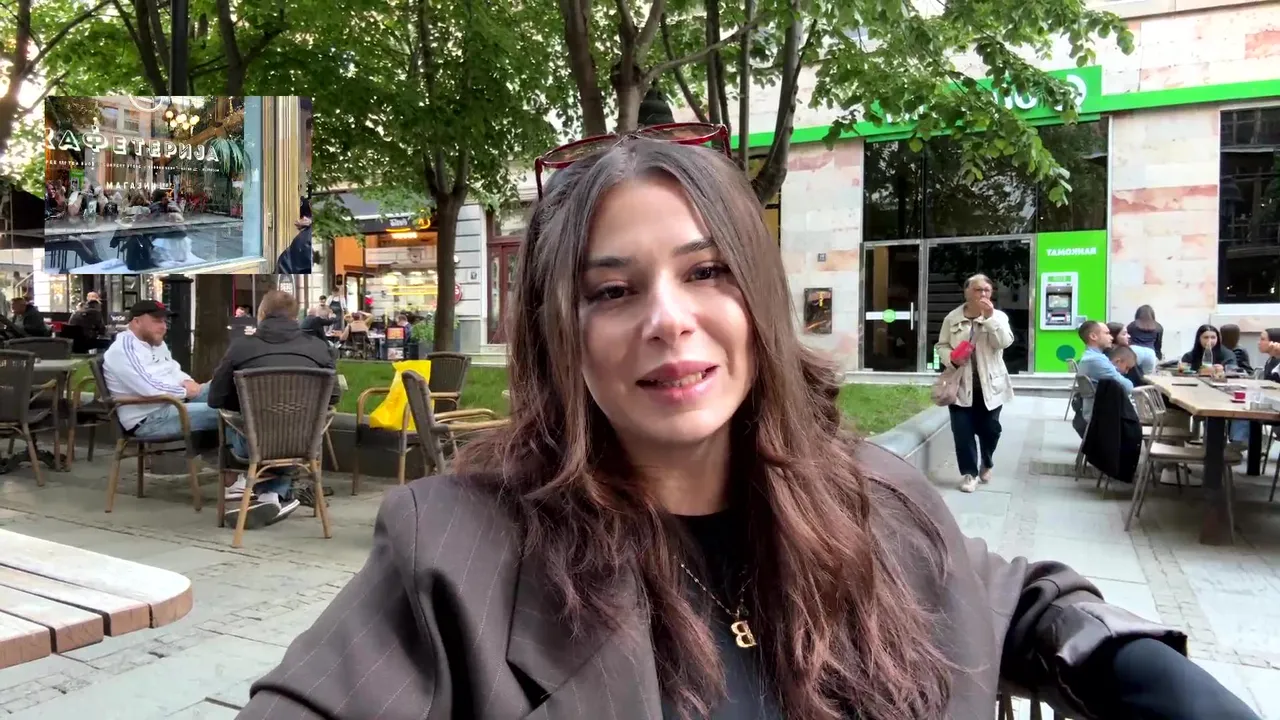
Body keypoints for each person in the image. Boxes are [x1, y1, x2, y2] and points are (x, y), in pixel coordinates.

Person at [240, 136, 1259, 720]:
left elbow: (1019, 600)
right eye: (611, 290)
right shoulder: (456, 549)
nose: (668, 318)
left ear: (756, 301)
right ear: (561, 336)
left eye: (706, 272)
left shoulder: (871, 496)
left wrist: (1143, 672)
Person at [208, 291, 339, 529]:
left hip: (253, 444)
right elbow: (334, 396)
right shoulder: (320, 348)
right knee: (286, 434)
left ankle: (263, 493)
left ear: (261, 314)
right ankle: (274, 496)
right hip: (304, 442)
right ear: (296, 317)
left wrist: (244, 407)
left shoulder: (241, 347)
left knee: (237, 425)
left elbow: (216, 398)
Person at [935, 274, 1015, 493]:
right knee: (962, 432)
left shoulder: (998, 317)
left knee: (991, 430)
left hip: (990, 386)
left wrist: (989, 319)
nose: (983, 294)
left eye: (987, 290)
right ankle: (969, 474)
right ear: (967, 293)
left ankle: (987, 461)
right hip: (960, 385)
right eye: (978, 290)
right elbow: (941, 345)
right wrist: (950, 358)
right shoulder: (952, 318)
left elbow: (1004, 343)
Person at [102, 300, 217, 439]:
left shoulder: (156, 343)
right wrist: (185, 391)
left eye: (164, 321)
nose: (163, 327)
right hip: (149, 419)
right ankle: (230, 450)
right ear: (137, 322)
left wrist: (186, 380)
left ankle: (226, 449)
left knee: (228, 384)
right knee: (228, 413)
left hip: (174, 403)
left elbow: (172, 368)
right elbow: (149, 388)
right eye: (157, 321)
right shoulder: (123, 350)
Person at [1076, 320, 1133, 423]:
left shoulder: (1092, 357)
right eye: (1107, 333)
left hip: (1100, 410)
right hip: (1103, 413)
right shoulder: (1096, 360)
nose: (1111, 337)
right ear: (1093, 336)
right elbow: (1127, 387)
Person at [1106, 321, 1151, 386]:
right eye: (1124, 334)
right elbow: (1138, 380)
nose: (1129, 336)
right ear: (1113, 336)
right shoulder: (1124, 355)